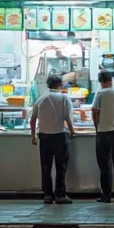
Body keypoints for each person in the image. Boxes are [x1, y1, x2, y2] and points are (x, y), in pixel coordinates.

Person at [30, 74, 75, 205]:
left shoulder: (40, 99)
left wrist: (33, 136)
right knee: (61, 166)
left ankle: (48, 196)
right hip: (60, 136)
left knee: (46, 167)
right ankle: (60, 195)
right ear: (60, 85)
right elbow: (67, 118)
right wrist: (72, 131)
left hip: (44, 137)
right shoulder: (63, 98)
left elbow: (33, 120)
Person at [91, 70, 114, 203]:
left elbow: (94, 111)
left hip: (104, 132)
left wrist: (97, 127)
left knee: (105, 164)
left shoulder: (100, 93)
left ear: (100, 82)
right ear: (111, 80)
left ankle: (106, 195)